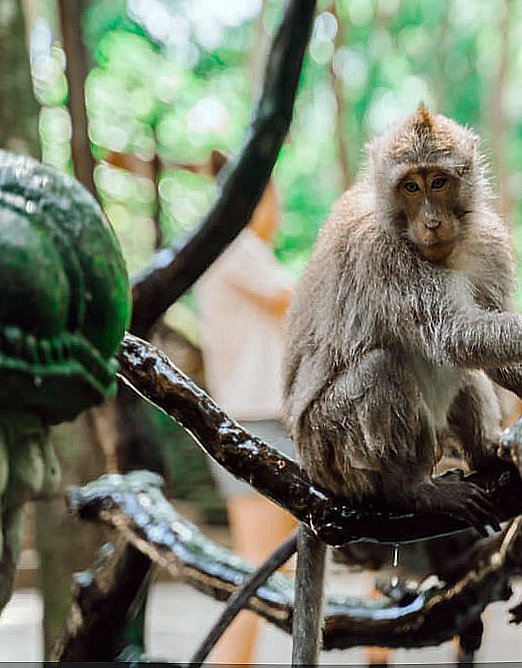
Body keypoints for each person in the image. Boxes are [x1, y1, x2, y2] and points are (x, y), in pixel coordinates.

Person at [195, 157, 298, 665]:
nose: (275, 209)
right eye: (270, 196)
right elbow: (296, 300)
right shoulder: (235, 248)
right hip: (251, 421)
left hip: (267, 421)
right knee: (257, 564)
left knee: (270, 569)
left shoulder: (248, 252)